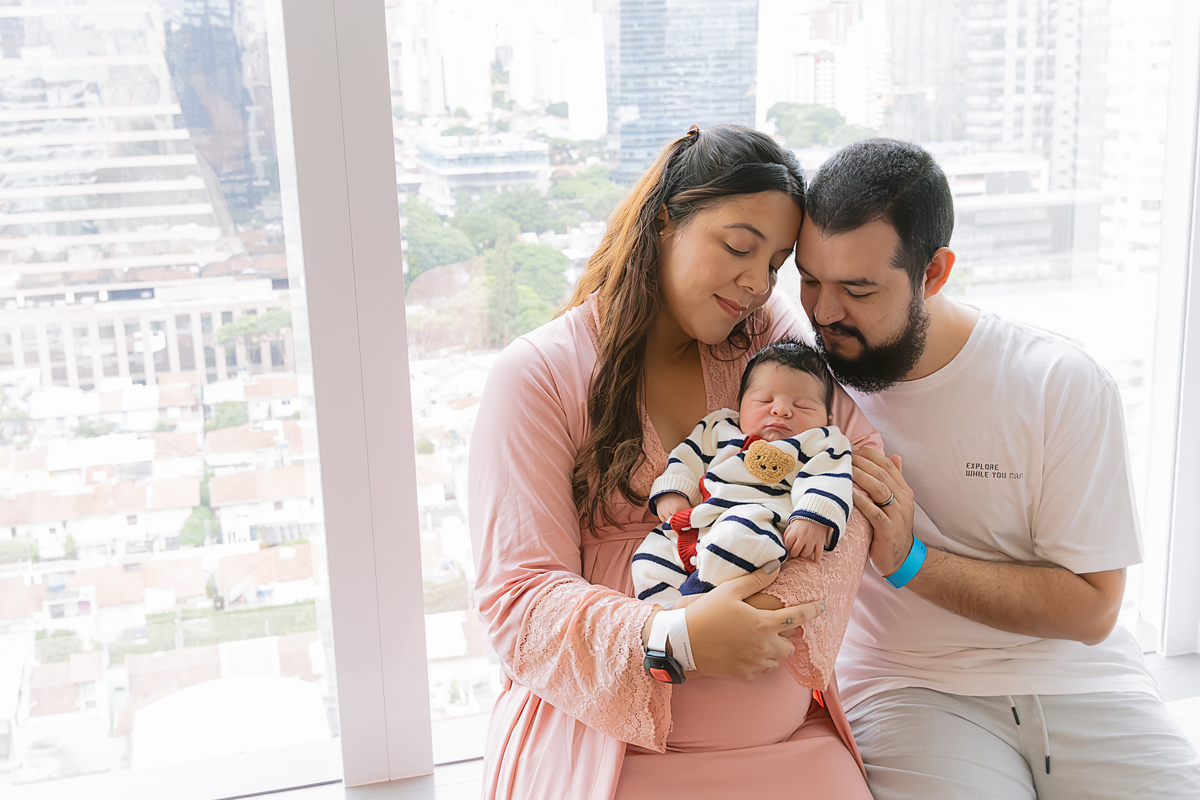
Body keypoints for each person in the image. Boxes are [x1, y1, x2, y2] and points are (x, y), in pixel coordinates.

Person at [469, 125, 879, 800]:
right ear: (666, 218)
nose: (755, 284)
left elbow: (854, 472)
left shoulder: (767, 344)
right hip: (608, 749)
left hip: (790, 750)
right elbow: (518, 600)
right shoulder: (539, 374)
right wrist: (679, 638)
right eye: (738, 247)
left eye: (774, 264)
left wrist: (763, 609)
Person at [794, 136, 1200, 798]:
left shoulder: (1057, 383)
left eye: (858, 289)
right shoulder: (801, 386)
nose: (825, 313)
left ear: (935, 272)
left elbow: (1094, 609)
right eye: (810, 279)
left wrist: (909, 561)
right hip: (907, 684)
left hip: (1081, 679)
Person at [633, 338, 852, 605]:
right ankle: (667, 614)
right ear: (740, 404)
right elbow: (686, 456)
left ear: (827, 418)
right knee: (647, 559)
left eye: (803, 406)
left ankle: (699, 597)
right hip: (697, 521)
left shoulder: (822, 442)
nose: (781, 410)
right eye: (764, 400)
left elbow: (831, 478)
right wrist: (674, 489)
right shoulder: (718, 426)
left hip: (759, 519)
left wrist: (815, 518)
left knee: (741, 534)